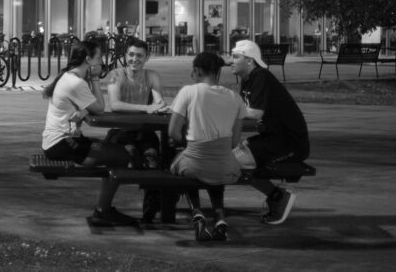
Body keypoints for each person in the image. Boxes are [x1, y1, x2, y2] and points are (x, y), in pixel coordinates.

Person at [42, 39, 135, 226]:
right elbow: (100, 108)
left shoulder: (68, 76)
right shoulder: (77, 82)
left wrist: (85, 110)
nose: (101, 61)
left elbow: (87, 107)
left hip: (58, 141)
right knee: (121, 156)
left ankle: (104, 208)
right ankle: (103, 211)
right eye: (99, 57)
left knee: (113, 149)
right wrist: (94, 78)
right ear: (88, 59)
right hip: (63, 144)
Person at [230, 39, 310, 225]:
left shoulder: (261, 76)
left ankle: (278, 197)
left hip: (289, 142)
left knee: (230, 161)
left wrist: (224, 109)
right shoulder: (248, 80)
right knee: (231, 156)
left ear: (249, 60)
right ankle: (276, 196)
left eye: (235, 56)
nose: (230, 60)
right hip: (273, 138)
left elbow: (255, 112)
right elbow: (246, 114)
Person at [168, 52, 245, 241]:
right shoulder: (236, 98)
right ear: (217, 72)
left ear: (197, 70)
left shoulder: (189, 92)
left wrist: (189, 143)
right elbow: (235, 141)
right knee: (215, 168)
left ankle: (197, 211)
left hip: (194, 162)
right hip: (226, 166)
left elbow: (172, 132)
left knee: (189, 164)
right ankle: (219, 218)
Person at [104, 40, 168, 169]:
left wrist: (160, 104)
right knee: (128, 156)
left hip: (144, 130)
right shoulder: (116, 74)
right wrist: (146, 108)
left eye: (139, 56)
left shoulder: (152, 76)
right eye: (131, 55)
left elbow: (158, 102)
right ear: (126, 56)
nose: (134, 59)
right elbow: (115, 105)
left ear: (147, 57)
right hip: (120, 130)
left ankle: (152, 188)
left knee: (153, 160)